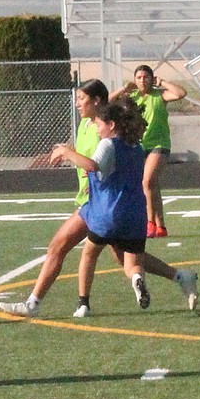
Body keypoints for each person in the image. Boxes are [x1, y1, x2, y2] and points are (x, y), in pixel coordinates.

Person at [0, 79, 198, 318]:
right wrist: (66, 150)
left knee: (60, 247)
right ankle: (179, 276)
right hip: (102, 204)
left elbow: (95, 163)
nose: (77, 103)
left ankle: (42, 304)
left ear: (97, 102)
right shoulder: (87, 125)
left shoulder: (107, 135)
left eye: (81, 98)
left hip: (97, 203)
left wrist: (69, 154)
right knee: (125, 258)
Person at [50, 97, 151, 315]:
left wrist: (66, 152)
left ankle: (83, 303)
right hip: (135, 214)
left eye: (98, 124)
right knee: (131, 264)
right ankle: (136, 278)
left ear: (112, 125)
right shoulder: (135, 146)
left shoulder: (108, 144)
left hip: (109, 213)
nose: (96, 129)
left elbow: (93, 165)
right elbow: (117, 174)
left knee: (89, 254)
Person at [111, 64, 187, 238]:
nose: (142, 80)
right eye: (139, 77)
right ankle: (161, 225)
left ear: (151, 79)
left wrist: (162, 82)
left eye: (146, 77)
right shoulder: (132, 97)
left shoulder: (159, 96)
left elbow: (181, 93)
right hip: (139, 145)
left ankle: (149, 222)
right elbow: (107, 103)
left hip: (158, 144)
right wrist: (124, 88)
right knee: (152, 185)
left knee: (147, 181)